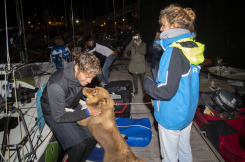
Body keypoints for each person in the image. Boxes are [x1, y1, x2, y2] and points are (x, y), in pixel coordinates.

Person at [144, 4, 205, 162]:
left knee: (169, 158)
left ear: (175, 25)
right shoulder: (192, 46)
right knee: (184, 151)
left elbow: (165, 91)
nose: (162, 29)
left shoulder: (173, 52)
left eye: (163, 25)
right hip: (187, 112)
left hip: (171, 116)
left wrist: (147, 83)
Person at [40, 52, 102, 162]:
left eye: (92, 77)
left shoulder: (79, 74)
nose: (89, 81)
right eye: (88, 77)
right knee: (79, 145)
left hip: (70, 104)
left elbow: (77, 91)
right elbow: (59, 117)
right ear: (77, 68)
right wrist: (87, 112)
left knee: (93, 137)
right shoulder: (57, 85)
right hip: (55, 112)